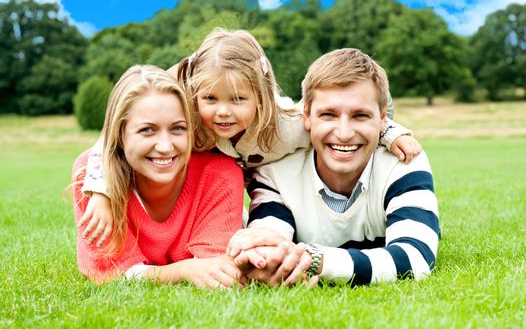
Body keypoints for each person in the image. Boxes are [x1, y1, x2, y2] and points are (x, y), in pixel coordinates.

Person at [78, 28, 421, 247]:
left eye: (238, 100)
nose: (223, 113)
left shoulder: (286, 125)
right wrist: (101, 191)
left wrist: (390, 131)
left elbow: (336, 123)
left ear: (260, 96)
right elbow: (112, 137)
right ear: (196, 96)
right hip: (217, 199)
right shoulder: (190, 124)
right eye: (210, 99)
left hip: (266, 200)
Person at [227, 48, 440, 286]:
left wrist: (315, 260)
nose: (344, 133)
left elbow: (415, 259)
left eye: (360, 115)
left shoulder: (403, 162)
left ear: (383, 119)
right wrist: (268, 260)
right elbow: (268, 249)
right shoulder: (275, 170)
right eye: (328, 114)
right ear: (306, 115)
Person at [71, 65, 245, 288]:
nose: (165, 146)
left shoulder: (219, 174)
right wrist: (184, 270)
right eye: (147, 130)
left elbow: (213, 266)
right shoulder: (92, 178)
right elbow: (112, 272)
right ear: (120, 135)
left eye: (178, 128)